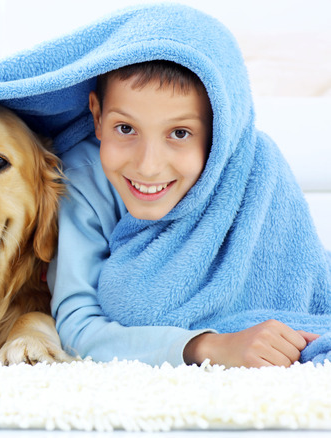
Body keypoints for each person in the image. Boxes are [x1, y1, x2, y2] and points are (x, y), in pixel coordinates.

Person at [49, 60, 325, 368]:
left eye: (179, 133)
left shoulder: (254, 172)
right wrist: (207, 346)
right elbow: (77, 326)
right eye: (126, 128)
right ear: (97, 115)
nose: (148, 166)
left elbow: (304, 279)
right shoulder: (81, 179)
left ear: (218, 130)